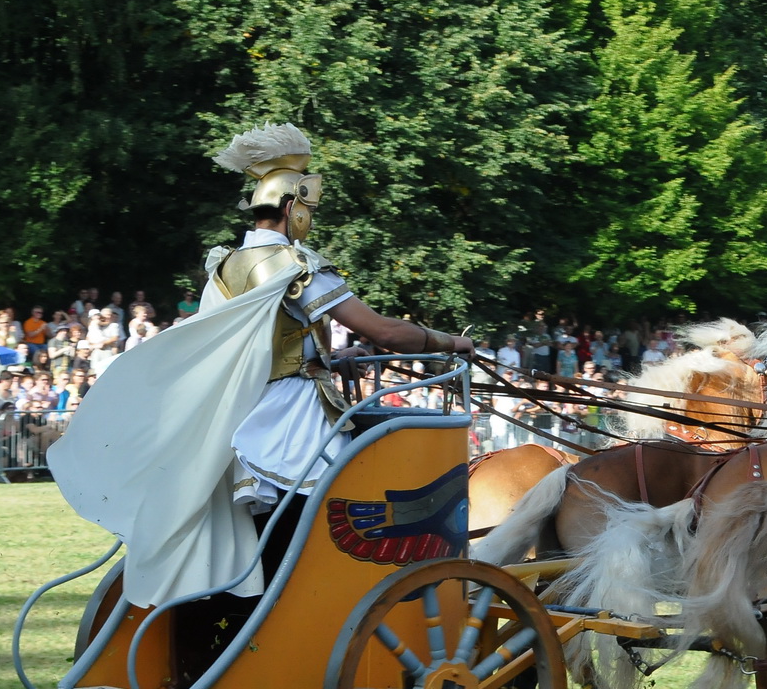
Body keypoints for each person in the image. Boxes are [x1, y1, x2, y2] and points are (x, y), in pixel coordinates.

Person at [50, 122, 472, 625]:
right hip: (286, 418)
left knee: (275, 527)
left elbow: (264, 344)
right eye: (309, 210)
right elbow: (383, 331)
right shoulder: (294, 265)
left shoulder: (227, 264)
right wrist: (451, 342)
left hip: (239, 412)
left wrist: (327, 358)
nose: (310, 221)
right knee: (338, 502)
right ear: (294, 208)